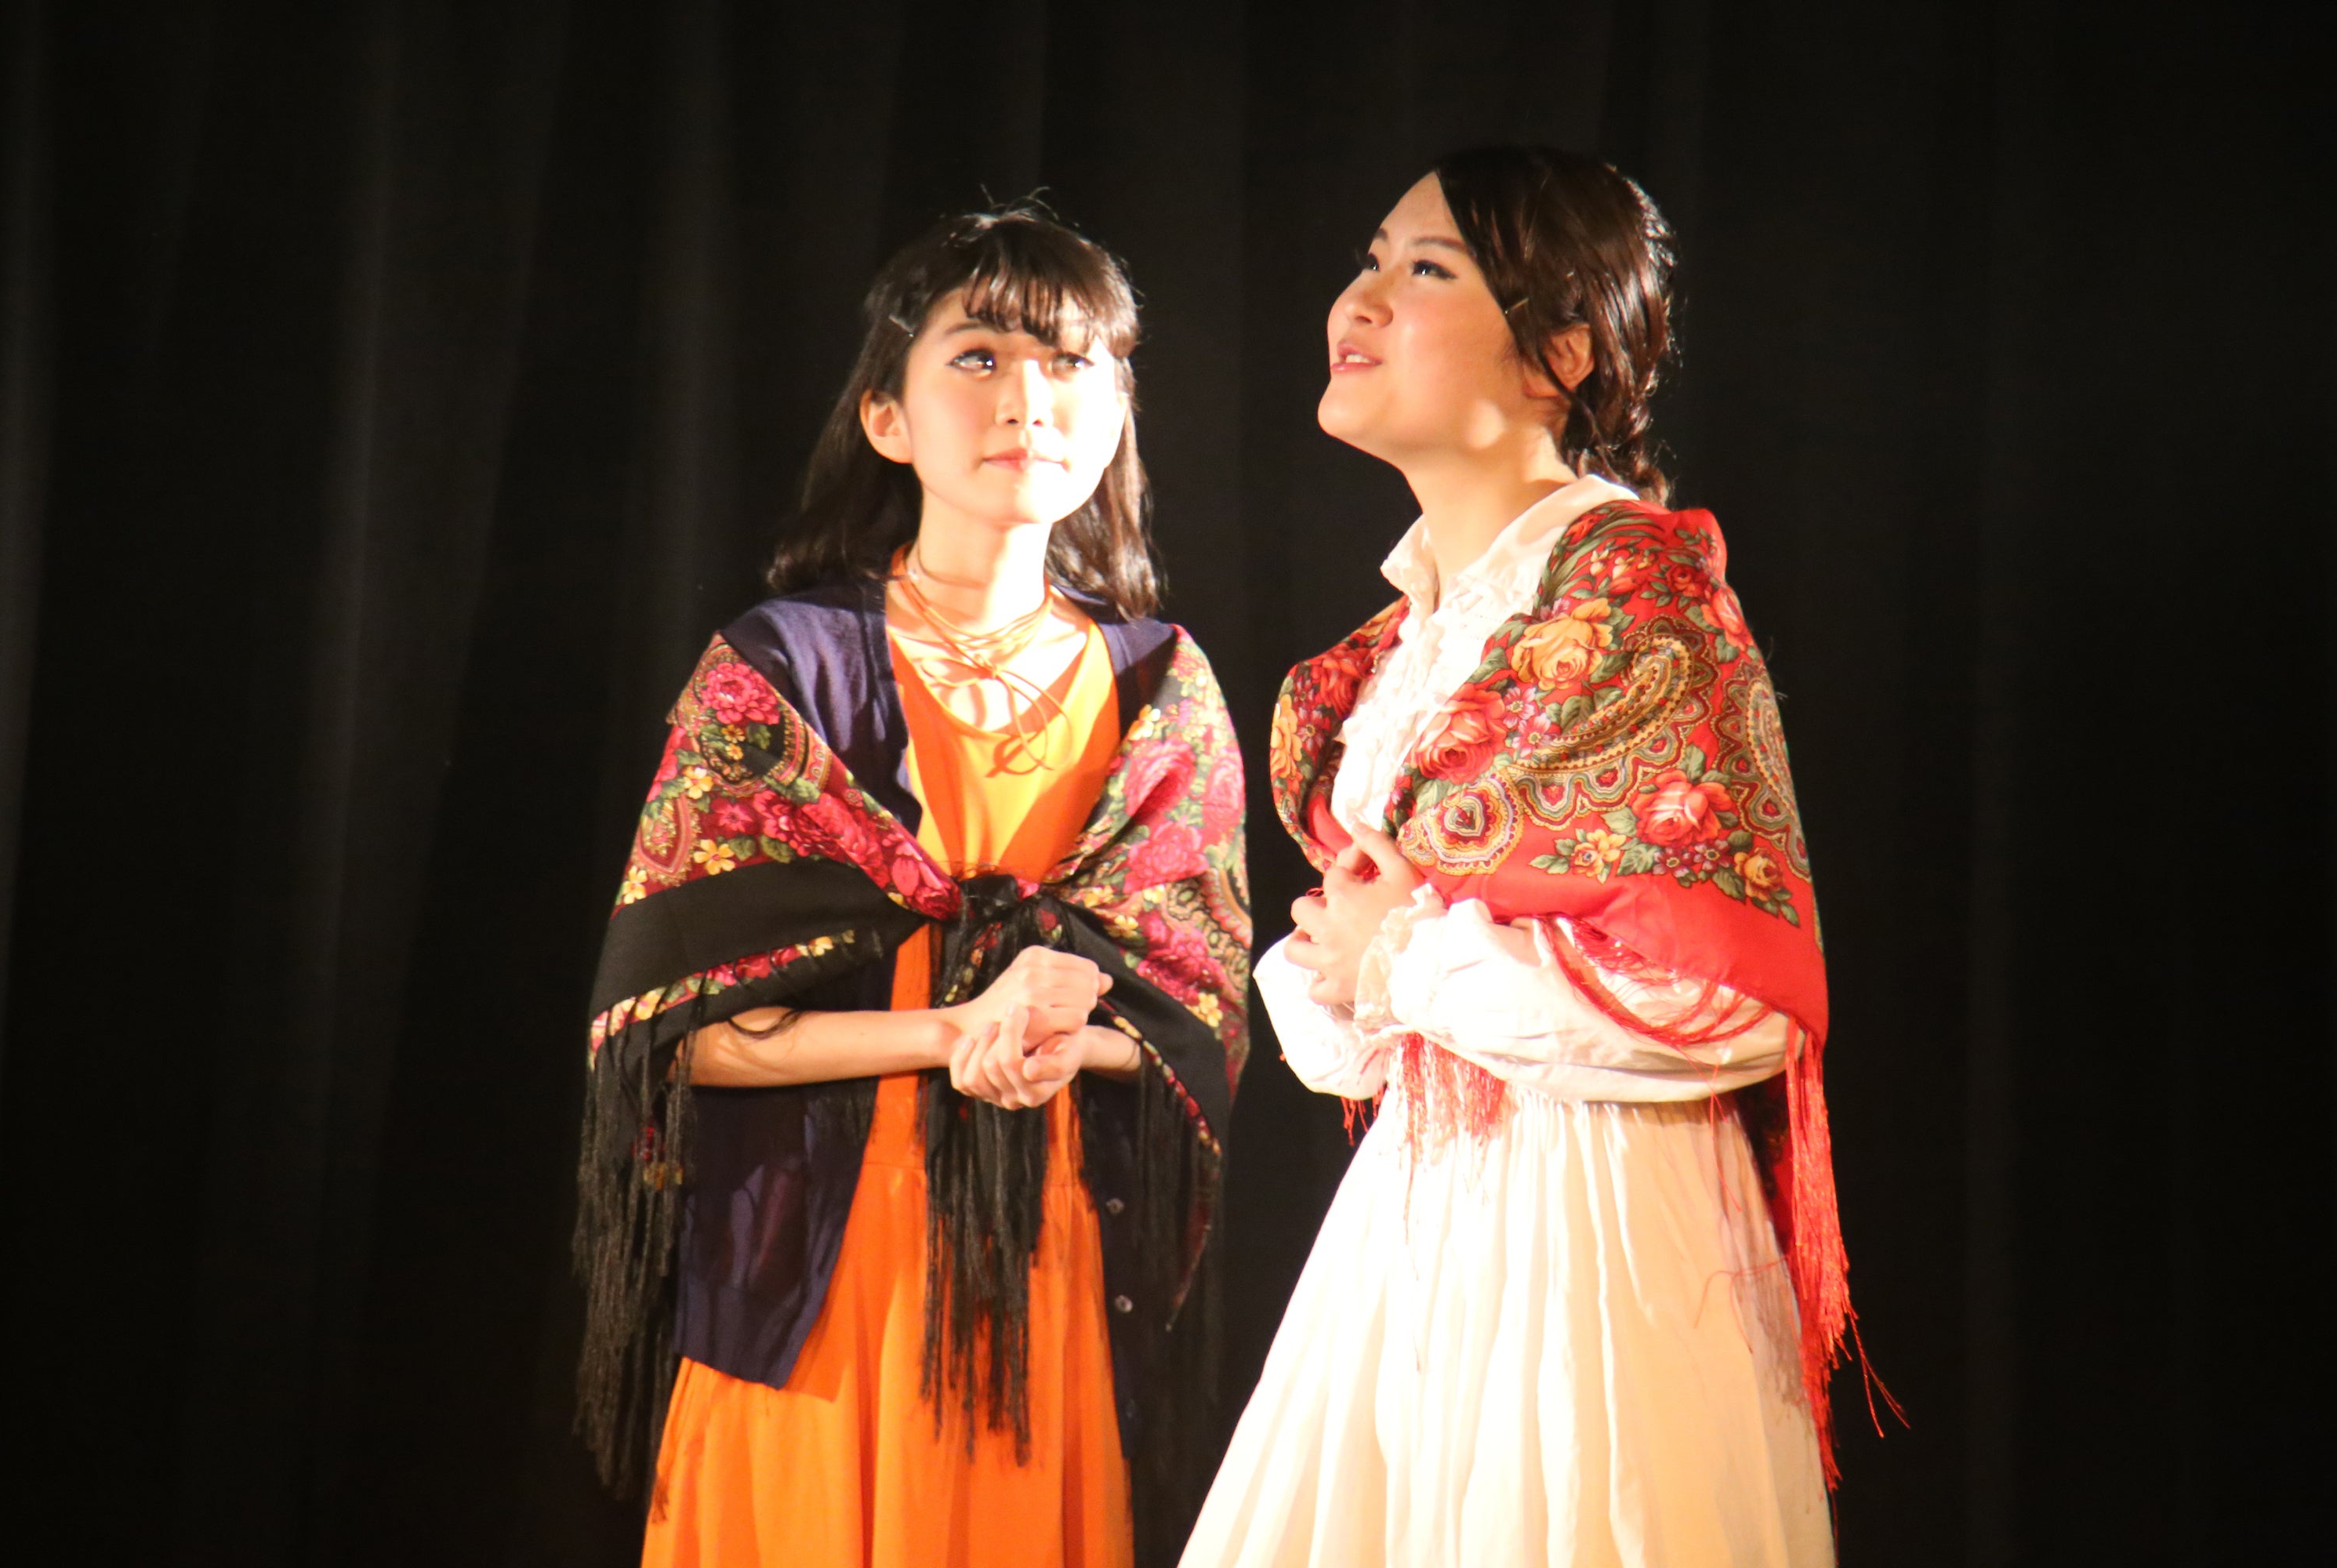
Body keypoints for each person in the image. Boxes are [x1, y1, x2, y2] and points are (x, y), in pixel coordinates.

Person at [1181, 147, 1854, 1566]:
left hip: (1597, 1233)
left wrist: (1404, 957)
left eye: (1428, 269)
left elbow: (1726, 998)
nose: (1361, 299)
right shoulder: (1410, 638)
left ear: (1562, 352)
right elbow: (1357, 1030)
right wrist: (1356, 969)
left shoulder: (1637, 602)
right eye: (1370, 259)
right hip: (1418, 1223)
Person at [575, 206, 1250, 1568]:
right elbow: (669, 1030)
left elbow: (1203, 1025)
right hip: (814, 1273)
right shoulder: (782, 673)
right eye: (980, 356)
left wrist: (1063, 1042)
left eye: (1072, 364)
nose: (1030, 399)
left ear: (1118, 414)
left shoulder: (1161, 686)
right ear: (887, 417)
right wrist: (952, 1032)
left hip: (1048, 1266)